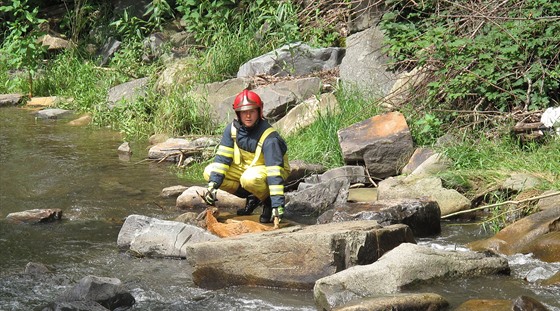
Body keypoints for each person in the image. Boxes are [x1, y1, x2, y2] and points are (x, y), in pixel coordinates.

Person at [202, 89, 290, 224]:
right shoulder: (232, 129)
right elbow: (222, 160)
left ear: (259, 112)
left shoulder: (270, 137)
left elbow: (274, 172)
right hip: (246, 168)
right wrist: (212, 186)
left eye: (252, 111)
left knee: (249, 179)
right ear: (238, 113)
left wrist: (277, 203)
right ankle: (252, 197)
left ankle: (267, 202)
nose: (248, 116)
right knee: (209, 171)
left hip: (270, 170)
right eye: (244, 112)